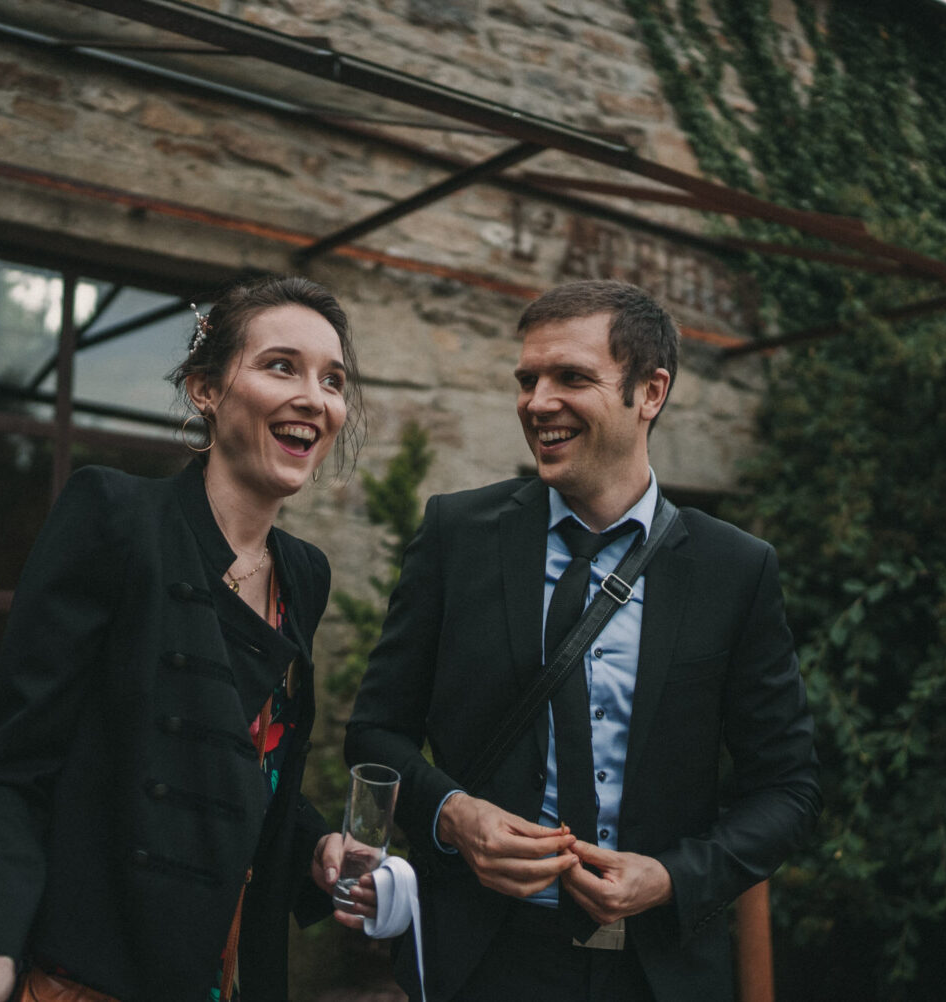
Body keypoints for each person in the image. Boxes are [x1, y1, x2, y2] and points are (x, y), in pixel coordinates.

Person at [346, 280, 820, 1002]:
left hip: (656, 970)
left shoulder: (736, 569)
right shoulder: (456, 537)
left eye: (571, 377)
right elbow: (375, 732)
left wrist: (673, 877)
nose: (537, 403)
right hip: (481, 962)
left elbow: (787, 789)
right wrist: (453, 817)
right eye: (528, 380)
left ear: (650, 392)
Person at [0, 276, 372, 1002]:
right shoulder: (115, 518)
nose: (315, 399)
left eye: (333, 380)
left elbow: (242, 764)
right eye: (280, 366)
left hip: (223, 973)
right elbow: (12, 768)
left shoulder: (303, 575)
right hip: (93, 973)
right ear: (205, 390)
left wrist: (316, 843)